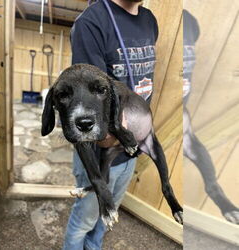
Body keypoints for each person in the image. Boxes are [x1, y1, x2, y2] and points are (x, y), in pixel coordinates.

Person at [63, 0, 158, 249]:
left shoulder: (149, 21)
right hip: (101, 148)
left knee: (108, 215)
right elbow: (87, 102)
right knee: (85, 219)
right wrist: (112, 138)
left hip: (131, 148)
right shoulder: (91, 23)